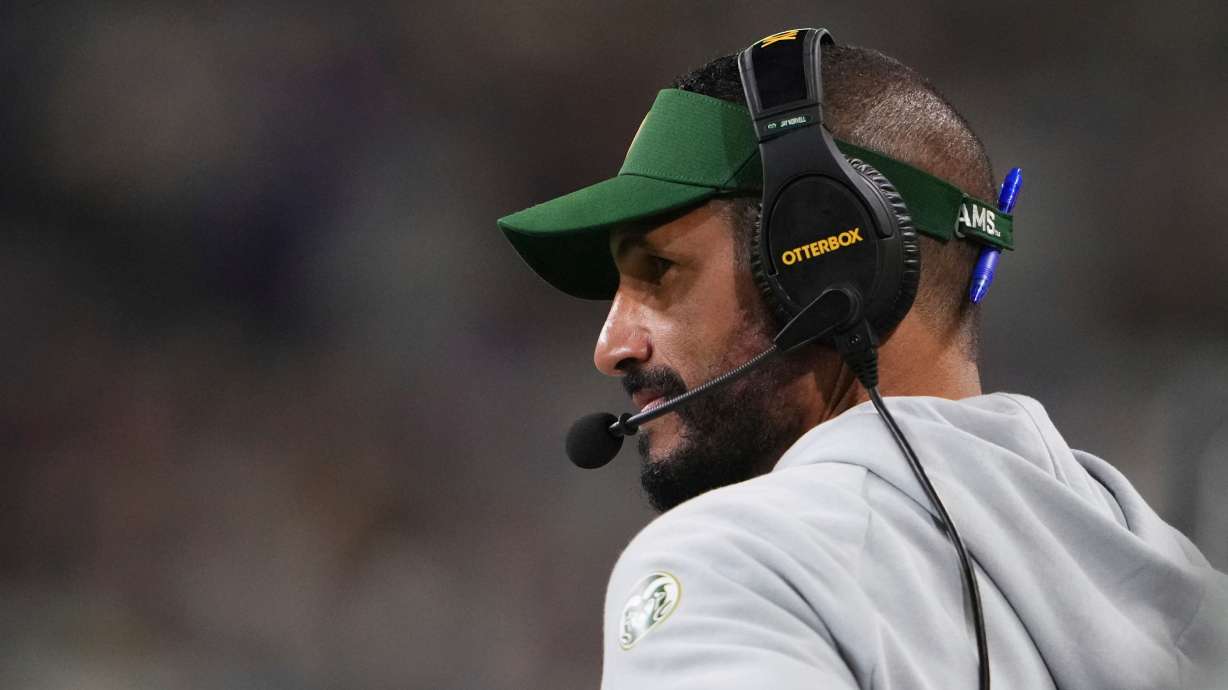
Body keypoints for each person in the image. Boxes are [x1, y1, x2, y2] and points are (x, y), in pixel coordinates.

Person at [497, 31, 1228, 689]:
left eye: (658, 270)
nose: (610, 346)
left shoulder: (734, 565)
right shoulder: (1187, 591)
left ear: (824, 263)